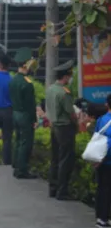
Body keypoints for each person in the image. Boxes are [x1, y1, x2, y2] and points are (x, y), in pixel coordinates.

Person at [45, 61, 77, 201]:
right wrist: (77, 123)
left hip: (54, 127)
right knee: (65, 160)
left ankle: (53, 188)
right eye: (70, 76)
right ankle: (62, 191)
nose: (70, 79)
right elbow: (71, 113)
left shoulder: (50, 89)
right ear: (66, 76)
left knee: (55, 159)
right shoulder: (65, 93)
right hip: (65, 128)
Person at [9, 48, 38, 179]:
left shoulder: (13, 80)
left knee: (18, 140)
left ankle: (16, 165)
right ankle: (22, 170)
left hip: (15, 113)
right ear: (26, 65)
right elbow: (30, 105)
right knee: (26, 142)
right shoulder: (27, 84)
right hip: (25, 115)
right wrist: (34, 119)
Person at [93, 95, 111, 227]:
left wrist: (98, 158)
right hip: (108, 159)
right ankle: (105, 217)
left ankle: (100, 216)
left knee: (102, 188)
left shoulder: (101, 119)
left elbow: (96, 137)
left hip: (100, 159)